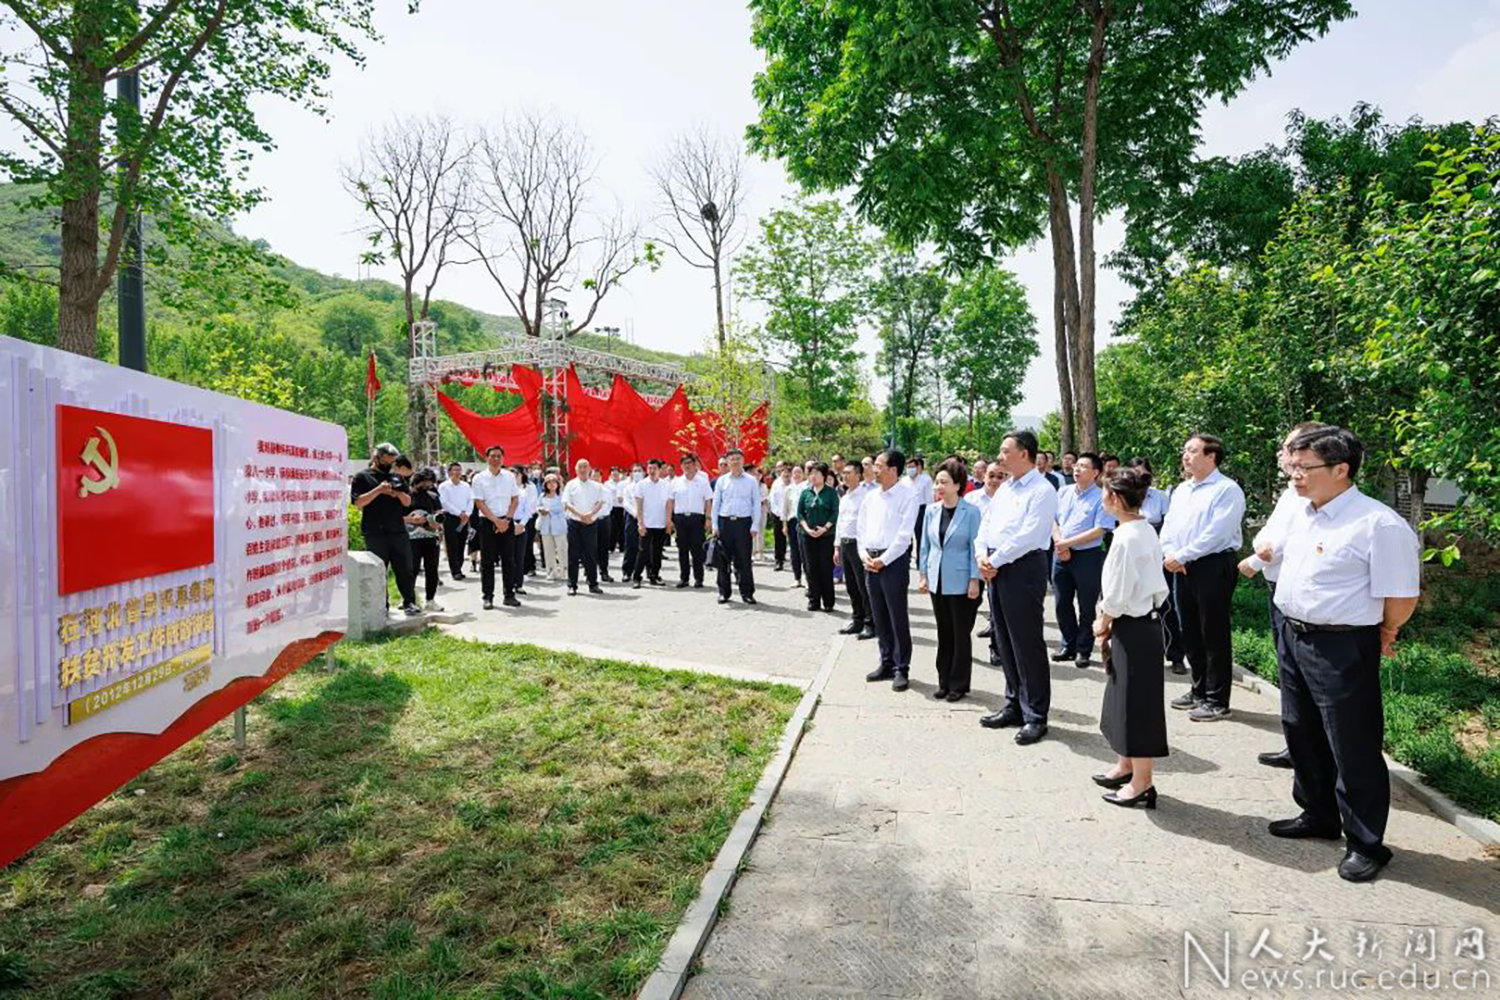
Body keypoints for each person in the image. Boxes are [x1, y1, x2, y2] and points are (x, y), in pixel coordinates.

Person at [1265, 426, 1419, 883]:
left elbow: (1401, 595)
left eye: (1304, 467)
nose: (1294, 475)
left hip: (1342, 644)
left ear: (1341, 470)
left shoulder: (1377, 524)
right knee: (1301, 730)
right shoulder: (1304, 513)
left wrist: (1387, 629)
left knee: (1351, 742)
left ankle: (1366, 842)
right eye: (1293, 466)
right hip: (1294, 634)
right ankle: (1318, 813)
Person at [1239, 424, 1333, 770]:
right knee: (1289, 673)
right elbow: (1269, 533)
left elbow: (1289, 541)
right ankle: (1298, 746)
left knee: (1304, 678)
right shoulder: (1291, 493)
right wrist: (1258, 549)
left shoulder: (1314, 498)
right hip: (1281, 591)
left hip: (1299, 596)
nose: (1284, 455)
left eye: (1291, 448)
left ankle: (1311, 752)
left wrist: (1253, 561)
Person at [1092, 466, 1171, 809]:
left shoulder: (1127, 538)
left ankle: (1142, 783)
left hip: (1133, 625)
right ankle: (1125, 765)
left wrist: (1103, 621)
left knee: (1137, 706)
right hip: (1137, 624)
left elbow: (1118, 593)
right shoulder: (1142, 528)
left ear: (1114, 497)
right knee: (1121, 700)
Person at [976, 431, 1059, 745]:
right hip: (996, 567)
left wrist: (994, 559)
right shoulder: (1006, 488)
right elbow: (986, 525)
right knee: (1004, 640)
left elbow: (1029, 535)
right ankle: (1013, 703)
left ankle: (1036, 715)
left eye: (1005, 450)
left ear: (1024, 454)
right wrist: (982, 556)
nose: (1000, 456)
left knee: (1026, 643)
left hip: (1023, 568)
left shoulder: (1041, 489)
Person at [1160, 434, 1245, 722]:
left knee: (1213, 633)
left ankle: (1217, 700)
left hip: (1212, 565)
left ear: (1211, 456)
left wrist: (1182, 555)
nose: (1185, 455)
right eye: (1185, 450)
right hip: (1182, 566)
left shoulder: (1226, 489)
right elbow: (1169, 526)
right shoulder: (1182, 489)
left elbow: (1217, 533)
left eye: (1193, 451)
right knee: (1190, 631)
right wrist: (1171, 553)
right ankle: (1198, 690)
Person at [917, 458, 983, 702]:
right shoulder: (931, 511)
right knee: (944, 632)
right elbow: (925, 546)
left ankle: (959, 684)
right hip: (937, 580)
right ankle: (943, 680)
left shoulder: (971, 512)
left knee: (960, 634)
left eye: (944, 482)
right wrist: (923, 575)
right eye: (937, 482)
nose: (938, 487)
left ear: (957, 485)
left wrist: (974, 579)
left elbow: (976, 548)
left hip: (962, 582)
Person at [858, 450, 917, 691]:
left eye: (879, 465)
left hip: (893, 562)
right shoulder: (871, 497)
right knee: (879, 615)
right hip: (870, 560)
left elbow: (904, 536)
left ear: (893, 469)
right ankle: (886, 661)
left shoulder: (908, 496)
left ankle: (901, 667)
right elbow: (861, 529)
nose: (874, 469)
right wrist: (864, 554)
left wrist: (883, 560)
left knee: (896, 616)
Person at [1051, 453, 1110, 669]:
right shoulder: (1063, 492)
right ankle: (1068, 644)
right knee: (1061, 603)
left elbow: (1100, 529)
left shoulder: (1102, 497)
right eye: (1077, 465)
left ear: (1095, 473)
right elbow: (1053, 520)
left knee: (1086, 605)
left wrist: (1068, 543)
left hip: (1088, 556)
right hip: (1061, 554)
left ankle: (1083, 650)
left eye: (1083, 466)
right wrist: (1060, 543)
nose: (1077, 469)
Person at [1128, 456, 1185, 675]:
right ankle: (1137, 654)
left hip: (1159, 556)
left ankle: (1175, 655)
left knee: (1166, 606)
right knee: (1133, 605)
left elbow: (1170, 527)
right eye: (1136, 474)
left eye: (1144, 474)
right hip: (1132, 557)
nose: (1141, 479)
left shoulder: (1160, 497)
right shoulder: (1123, 496)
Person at [351, 443, 420, 616]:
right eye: (387, 460)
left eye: (392, 461)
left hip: (398, 530)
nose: (390, 464)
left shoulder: (396, 477)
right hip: (375, 532)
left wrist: (397, 494)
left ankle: (409, 602)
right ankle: (382, 606)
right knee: (379, 570)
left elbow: (408, 502)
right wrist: (379, 490)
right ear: (377, 458)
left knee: (405, 568)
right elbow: (358, 502)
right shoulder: (362, 477)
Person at [472, 445, 521, 610]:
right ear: (486, 458)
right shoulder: (479, 478)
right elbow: (479, 502)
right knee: (487, 561)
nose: (496, 459)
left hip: (507, 521)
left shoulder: (509, 476)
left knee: (509, 560)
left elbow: (515, 499)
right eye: (492, 456)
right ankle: (488, 596)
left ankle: (509, 595)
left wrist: (507, 519)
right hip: (487, 522)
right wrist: (495, 521)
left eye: (499, 456)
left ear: (503, 458)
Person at [712, 448, 761, 604]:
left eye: (738, 458)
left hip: (743, 523)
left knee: (744, 560)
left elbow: (756, 504)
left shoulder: (751, 481)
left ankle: (747, 593)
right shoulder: (722, 481)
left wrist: (755, 525)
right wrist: (714, 525)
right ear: (727, 462)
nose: (735, 461)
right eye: (732, 459)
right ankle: (724, 593)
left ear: (743, 460)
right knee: (723, 560)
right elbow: (716, 504)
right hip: (725, 523)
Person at [834, 462, 875, 639]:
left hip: (859, 545)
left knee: (863, 586)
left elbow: (869, 523)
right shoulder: (844, 497)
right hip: (845, 544)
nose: (844, 475)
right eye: (843, 473)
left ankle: (870, 623)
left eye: (848, 472)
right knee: (851, 586)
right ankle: (857, 620)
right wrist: (837, 547)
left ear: (858, 475)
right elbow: (840, 523)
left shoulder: (866, 496)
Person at [798, 462, 839, 612]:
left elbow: (835, 513)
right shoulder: (806, 493)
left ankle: (828, 601)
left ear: (824, 476)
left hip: (826, 536)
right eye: (811, 474)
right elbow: (800, 513)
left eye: (817, 473)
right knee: (811, 568)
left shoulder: (831, 493)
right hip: (807, 535)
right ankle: (814, 600)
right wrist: (807, 529)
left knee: (825, 568)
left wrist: (825, 528)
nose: (813, 476)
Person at [668, 453, 714, 588]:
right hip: (680, 519)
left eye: (689, 463)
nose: (687, 466)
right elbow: (670, 501)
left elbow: (708, 501)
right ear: (681, 466)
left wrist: (708, 518)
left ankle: (699, 578)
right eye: (684, 463)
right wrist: (669, 519)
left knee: (697, 550)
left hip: (697, 518)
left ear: (695, 465)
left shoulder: (703, 482)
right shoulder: (675, 482)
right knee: (682, 550)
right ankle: (684, 578)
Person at [562, 459, 606, 595]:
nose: (582, 469)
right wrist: (580, 515)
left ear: (589, 469)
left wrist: (590, 514)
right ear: (575, 469)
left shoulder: (597, 486)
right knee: (573, 555)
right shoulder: (570, 484)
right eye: (580, 467)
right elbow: (567, 503)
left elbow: (600, 503)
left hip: (590, 523)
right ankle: (572, 585)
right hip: (574, 523)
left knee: (591, 555)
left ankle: (593, 584)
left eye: (585, 467)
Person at [404, 469, 445, 611]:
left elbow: (439, 515)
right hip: (410, 538)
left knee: (432, 569)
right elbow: (397, 517)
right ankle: (408, 600)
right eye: (424, 483)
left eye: (430, 484)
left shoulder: (433, 496)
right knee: (411, 569)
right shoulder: (406, 497)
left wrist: (435, 522)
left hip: (431, 537)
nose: (427, 486)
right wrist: (411, 520)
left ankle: (430, 600)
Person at [633, 458, 672, 588]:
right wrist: (640, 523)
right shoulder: (641, 485)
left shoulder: (666, 485)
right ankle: (637, 577)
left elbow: (668, 504)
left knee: (657, 552)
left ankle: (654, 575)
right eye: (649, 468)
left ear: (660, 470)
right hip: (646, 523)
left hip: (660, 523)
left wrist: (668, 521)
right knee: (643, 552)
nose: (652, 471)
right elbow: (639, 506)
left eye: (654, 468)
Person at [437, 462, 473, 581]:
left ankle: (459, 567)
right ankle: (455, 570)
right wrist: (459, 513)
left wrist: (467, 514)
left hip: (464, 518)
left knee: (462, 542)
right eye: (455, 470)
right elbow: (444, 502)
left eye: (459, 470)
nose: (457, 472)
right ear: (449, 472)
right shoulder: (444, 486)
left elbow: (471, 500)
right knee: (452, 544)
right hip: (451, 517)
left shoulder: (466, 486)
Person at [510, 467, 536, 596]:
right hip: (507, 523)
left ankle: (518, 584)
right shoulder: (505, 489)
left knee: (519, 555)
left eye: (516, 474)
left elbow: (530, 508)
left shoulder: (527, 489)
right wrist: (512, 523)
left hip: (522, 523)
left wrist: (521, 524)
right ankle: (508, 584)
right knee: (508, 556)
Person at [537, 473, 568, 581]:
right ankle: (551, 571)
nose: (552, 484)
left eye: (554, 482)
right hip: (545, 526)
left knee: (562, 549)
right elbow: (537, 506)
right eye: (549, 482)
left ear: (558, 484)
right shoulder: (542, 496)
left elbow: (562, 508)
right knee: (548, 550)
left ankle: (564, 571)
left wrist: (549, 510)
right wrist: (540, 510)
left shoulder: (562, 495)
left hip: (559, 526)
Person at [620, 463, 642, 582]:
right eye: (635, 471)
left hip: (646, 518)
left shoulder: (647, 486)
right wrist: (635, 513)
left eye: (639, 470)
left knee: (647, 547)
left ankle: (650, 573)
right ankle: (627, 572)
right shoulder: (628, 488)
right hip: (632, 517)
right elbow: (626, 503)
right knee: (630, 544)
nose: (637, 473)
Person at [768, 464, 791, 570]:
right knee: (779, 538)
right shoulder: (776, 484)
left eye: (788, 472)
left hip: (792, 515)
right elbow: (773, 500)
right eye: (783, 472)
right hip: (778, 514)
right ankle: (779, 560)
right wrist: (780, 513)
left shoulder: (794, 483)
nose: (786, 474)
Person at [908, 456, 933, 535]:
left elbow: (929, 498)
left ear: (918, 467)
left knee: (919, 532)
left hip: (921, 508)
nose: (910, 469)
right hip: (908, 508)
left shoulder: (925, 479)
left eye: (912, 467)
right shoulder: (904, 480)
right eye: (908, 467)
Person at [609, 467, 627, 553]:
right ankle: (611, 546)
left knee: (622, 528)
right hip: (612, 508)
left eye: (617, 474)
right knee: (613, 528)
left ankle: (622, 546)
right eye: (613, 474)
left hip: (622, 508)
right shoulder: (607, 484)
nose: (615, 476)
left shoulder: (623, 483)